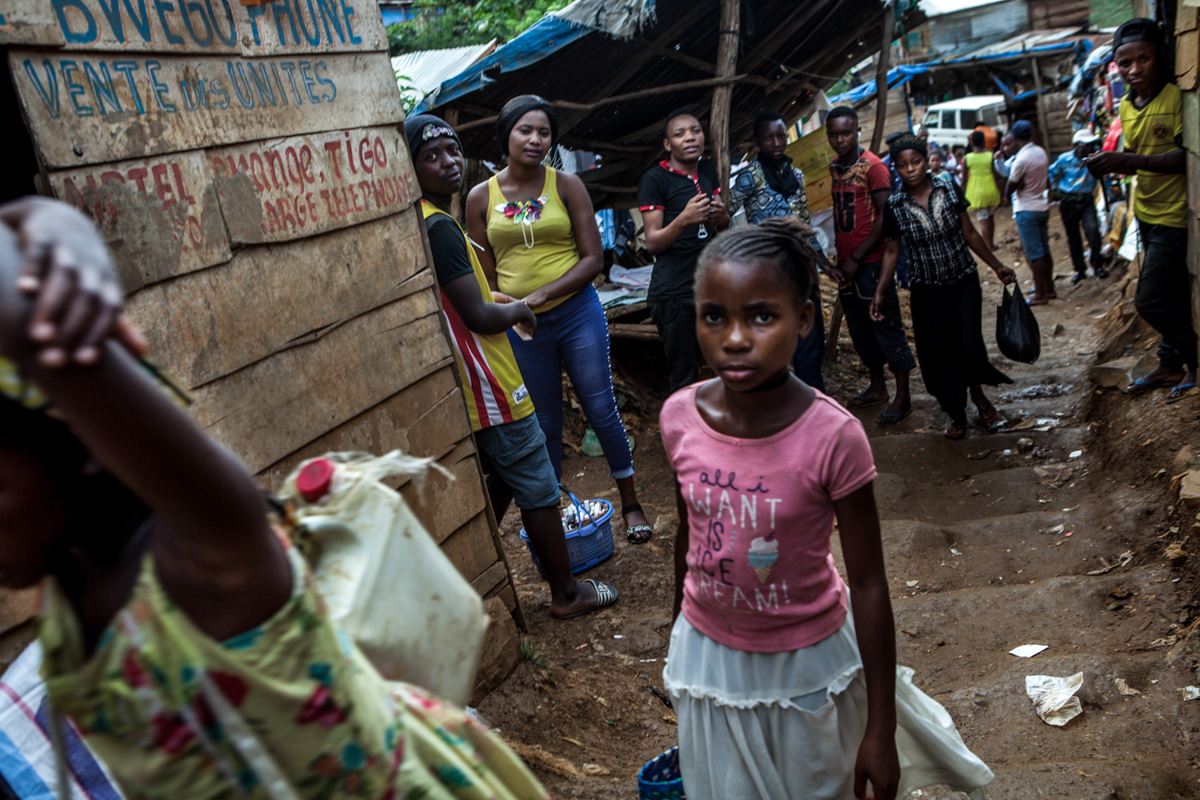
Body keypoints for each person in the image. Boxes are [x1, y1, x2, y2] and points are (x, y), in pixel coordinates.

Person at [0, 197, 552, 800]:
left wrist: (61, 258)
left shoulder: (205, 562)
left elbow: (43, 312)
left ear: (88, 439)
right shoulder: (71, 595)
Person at [660, 216, 995, 800]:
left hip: (807, 665)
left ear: (805, 320)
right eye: (714, 316)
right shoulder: (680, 417)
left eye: (761, 316)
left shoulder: (833, 436)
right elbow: (691, 534)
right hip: (708, 656)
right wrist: (679, 635)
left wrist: (880, 729)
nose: (734, 338)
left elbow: (867, 582)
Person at [408, 114, 618, 617]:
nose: (448, 162)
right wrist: (521, 309)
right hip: (490, 380)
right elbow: (478, 317)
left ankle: (467, 572)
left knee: (503, 477)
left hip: (475, 378)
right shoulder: (440, 228)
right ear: (410, 169)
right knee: (539, 486)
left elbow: (468, 297)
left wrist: (496, 297)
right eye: (431, 156)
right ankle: (566, 594)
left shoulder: (430, 219)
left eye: (452, 150)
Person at [466, 96, 652, 544]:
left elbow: (593, 260)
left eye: (544, 132)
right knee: (545, 422)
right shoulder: (480, 198)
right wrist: (510, 310)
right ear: (506, 136)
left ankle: (631, 503)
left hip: (576, 312)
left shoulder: (567, 185)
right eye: (525, 130)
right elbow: (485, 277)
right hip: (520, 326)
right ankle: (553, 519)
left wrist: (543, 294)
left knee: (600, 407)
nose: (535, 139)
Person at [873, 134, 1017, 440]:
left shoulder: (948, 187)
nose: (910, 169)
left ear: (926, 161)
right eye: (903, 165)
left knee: (969, 344)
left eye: (916, 162)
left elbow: (969, 233)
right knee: (942, 352)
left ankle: (978, 395)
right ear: (896, 168)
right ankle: (956, 412)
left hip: (963, 280)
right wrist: (880, 291)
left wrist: (997, 266)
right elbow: (892, 251)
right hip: (926, 290)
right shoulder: (895, 205)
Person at [1087, 18, 1194, 401]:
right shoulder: (1127, 106)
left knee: (1149, 300)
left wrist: (1129, 160)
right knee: (1172, 291)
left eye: (1143, 59)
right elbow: (1137, 158)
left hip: (1174, 214)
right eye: (1125, 63)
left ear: (1160, 56)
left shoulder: (1176, 98)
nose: (1134, 69)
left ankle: (1195, 361)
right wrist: (1108, 163)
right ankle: (1169, 363)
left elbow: (1185, 157)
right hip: (1145, 212)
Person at [826, 106, 917, 426]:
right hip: (847, 265)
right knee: (861, 330)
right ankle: (877, 387)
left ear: (857, 132)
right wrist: (844, 260)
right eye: (834, 134)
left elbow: (884, 219)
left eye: (846, 133)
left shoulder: (874, 166)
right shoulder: (835, 167)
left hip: (872, 263)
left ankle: (903, 395)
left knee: (886, 326)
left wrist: (856, 258)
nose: (840, 139)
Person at [728, 109, 826, 391]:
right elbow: (725, 213)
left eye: (781, 136)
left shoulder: (796, 174)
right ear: (757, 142)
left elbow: (805, 224)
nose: (777, 142)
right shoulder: (749, 177)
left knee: (810, 337)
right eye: (769, 138)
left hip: (802, 268)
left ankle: (812, 400)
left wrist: (822, 263)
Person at [638, 108, 731, 393]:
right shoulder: (655, 179)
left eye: (696, 131)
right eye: (680, 134)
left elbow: (722, 228)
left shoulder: (707, 171)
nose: (690, 138)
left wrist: (723, 218)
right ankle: (685, 422)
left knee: (724, 362)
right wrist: (684, 219)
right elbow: (653, 243)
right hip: (674, 293)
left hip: (709, 287)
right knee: (685, 376)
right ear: (667, 144)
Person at [1048, 129, 1109, 283]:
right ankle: (1079, 269)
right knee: (1073, 236)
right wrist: (1055, 189)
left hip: (1086, 200)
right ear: (1076, 145)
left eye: (1091, 145)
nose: (1089, 148)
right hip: (1068, 201)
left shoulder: (1094, 159)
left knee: (1093, 231)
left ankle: (1097, 265)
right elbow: (1052, 172)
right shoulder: (1064, 160)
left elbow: (1103, 176)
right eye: (1085, 145)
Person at [1005, 120, 1054, 305]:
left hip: (1026, 209)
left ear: (1015, 137)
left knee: (1035, 254)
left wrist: (1018, 184)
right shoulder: (1040, 152)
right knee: (1044, 251)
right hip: (1042, 206)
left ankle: (1040, 294)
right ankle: (1049, 288)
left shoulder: (1021, 159)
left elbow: (1009, 189)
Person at [961, 131, 1002, 251]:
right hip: (991, 189)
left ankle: (988, 246)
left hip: (976, 192)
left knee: (983, 220)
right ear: (984, 142)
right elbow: (996, 175)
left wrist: (962, 193)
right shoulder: (989, 155)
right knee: (991, 217)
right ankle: (991, 244)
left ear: (972, 142)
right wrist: (1002, 192)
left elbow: (963, 179)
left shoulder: (967, 158)